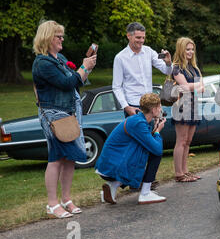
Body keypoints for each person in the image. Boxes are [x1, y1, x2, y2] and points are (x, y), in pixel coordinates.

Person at [32, 20, 97, 219]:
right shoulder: (42, 63)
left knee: (70, 157)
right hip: (54, 115)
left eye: (62, 36)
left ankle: (66, 199)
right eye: (58, 36)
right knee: (56, 158)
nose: (62, 39)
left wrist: (87, 68)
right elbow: (67, 83)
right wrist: (83, 68)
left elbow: (76, 82)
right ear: (47, 38)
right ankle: (52, 204)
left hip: (70, 113)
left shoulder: (59, 58)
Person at [95, 93, 167, 205]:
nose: (161, 109)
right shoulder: (138, 123)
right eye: (159, 107)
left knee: (146, 149)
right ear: (153, 110)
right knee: (156, 153)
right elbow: (157, 149)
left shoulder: (138, 120)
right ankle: (145, 193)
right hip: (113, 168)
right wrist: (157, 132)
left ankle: (112, 187)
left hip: (110, 165)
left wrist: (155, 128)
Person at [112, 22, 173, 118]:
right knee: (136, 133)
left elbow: (167, 71)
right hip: (133, 106)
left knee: (152, 132)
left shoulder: (149, 51)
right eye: (138, 37)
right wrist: (126, 107)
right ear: (129, 36)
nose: (141, 40)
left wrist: (168, 63)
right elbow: (116, 87)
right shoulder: (120, 58)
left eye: (143, 38)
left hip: (150, 104)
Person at [171, 37, 204, 182]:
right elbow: (184, 88)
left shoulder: (194, 68)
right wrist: (194, 87)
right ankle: (179, 173)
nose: (190, 52)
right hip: (182, 106)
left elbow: (202, 88)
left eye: (192, 49)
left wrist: (192, 87)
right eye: (187, 49)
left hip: (194, 105)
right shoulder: (176, 67)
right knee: (181, 140)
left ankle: (185, 171)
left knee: (189, 141)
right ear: (181, 50)